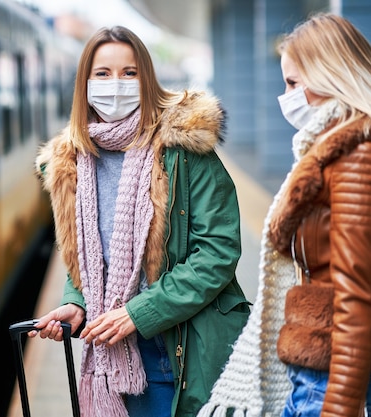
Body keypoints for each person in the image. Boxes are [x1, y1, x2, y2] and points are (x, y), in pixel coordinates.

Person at [28, 25, 251, 417]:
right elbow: (88, 251)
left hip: (179, 350)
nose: (116, 84)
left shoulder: (183, 150)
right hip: (110, 354)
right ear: (85, 84)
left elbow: (218, 251)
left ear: (146, 79)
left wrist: (138, 313)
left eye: (129, 73)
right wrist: (76, 302)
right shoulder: (70, 161)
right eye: (103, 74)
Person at [197, 13, 371, 417]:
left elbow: (357, 297)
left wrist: (341, 407)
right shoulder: (329, 152)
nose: (286, 96)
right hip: (316, 372)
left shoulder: (356, 157)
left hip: (335, 379)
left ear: (332, 76)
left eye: (294, 83)